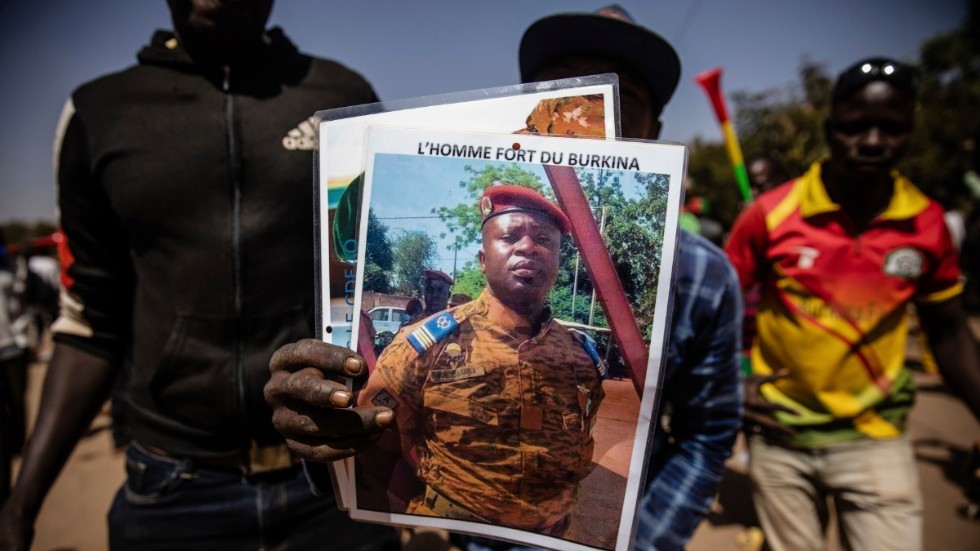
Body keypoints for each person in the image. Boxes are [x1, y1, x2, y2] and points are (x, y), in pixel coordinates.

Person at [0, 2, 399, 549]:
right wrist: (21, 505)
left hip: (329, 479)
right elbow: (93, 319)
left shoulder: (340, 94)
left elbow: (367, 273)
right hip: (172, 486)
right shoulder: (99, 113)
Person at [512, 6, 744, 551]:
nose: (585, 117)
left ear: (654, 131)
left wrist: (645, 542)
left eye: (620, 98)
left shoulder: (705, 276)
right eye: (566, 93)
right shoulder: (503, 255)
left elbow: (704, 439)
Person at [725, 57, 980, 551]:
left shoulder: (926, 225)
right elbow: (717, 313)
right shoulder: (770, 214)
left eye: (892, 128)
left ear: (910, 131)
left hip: (876, 438)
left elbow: (949, 333)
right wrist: (731, 386)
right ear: (830, 128)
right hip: (780, 438)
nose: (872, 141)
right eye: (855, 127)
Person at [355, 184, 605, 536]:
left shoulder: (581, 356)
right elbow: (373, 440)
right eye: (510, 236)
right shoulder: (427, 344)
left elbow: (581, 448)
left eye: (544, 240)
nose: (528, 247)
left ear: (558, 261)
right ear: (483, 259)